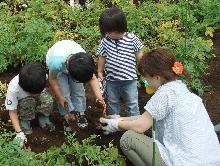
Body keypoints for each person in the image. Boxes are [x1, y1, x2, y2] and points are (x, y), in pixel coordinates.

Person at [99, 48, 220, 166]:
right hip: (212, 159)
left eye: (146, 77)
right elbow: (147, 118)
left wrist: (116, 125)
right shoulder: (184, 92)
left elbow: (141, 126)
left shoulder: (165, 94)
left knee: (128, 138)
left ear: (157, 77)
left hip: (185, 161)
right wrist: (119, 119)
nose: (145, 81)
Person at [46, 40, 105, 130]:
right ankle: (66, 115)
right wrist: (60, 96)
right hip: (59, 69)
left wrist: (100, 98)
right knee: (63, 93)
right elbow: (52, 79)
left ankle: (80, 113)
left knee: (78, 91)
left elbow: (93, 79)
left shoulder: (84, 62)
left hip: (72, 64)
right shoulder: (55, 63)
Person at [97, 7, 143, 117]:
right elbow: (102, 57)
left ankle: (134, 123)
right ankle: (114, 123)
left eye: (114, 32)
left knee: (132, 102)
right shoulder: (105, 41)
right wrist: (99, 71)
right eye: (108, 32)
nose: (111, 34)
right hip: (112, 79)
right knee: (112, 102)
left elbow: (139, 55)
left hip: (130, 79)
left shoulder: (132, 38)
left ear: (122, 27)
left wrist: (143, 69)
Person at [5, 62, 55, 147]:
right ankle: (25, 123)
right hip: (23, 102)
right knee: (27, 103)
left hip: (37, 91)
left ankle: (43, 117)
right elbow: (12, 112)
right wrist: (18, 132)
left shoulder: (41, 76)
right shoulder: (13, 89)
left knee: (48, 100)